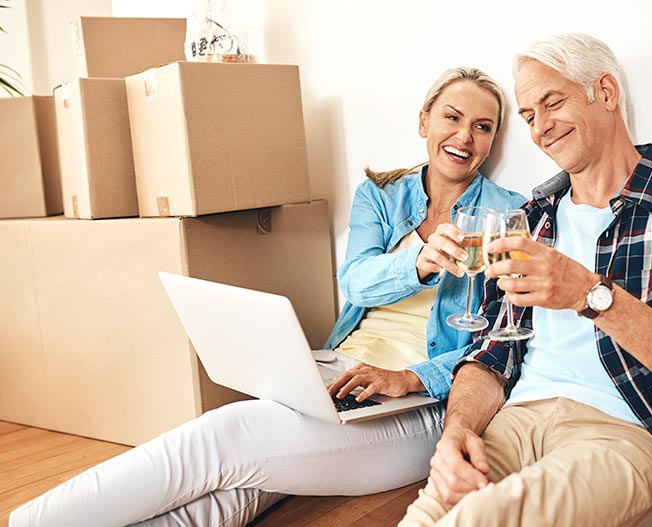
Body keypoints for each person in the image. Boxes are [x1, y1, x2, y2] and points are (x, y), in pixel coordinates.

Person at [9, 67, 524, 527]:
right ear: (423, 122)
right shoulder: (383, 194)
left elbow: (508, 337)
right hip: (338, 375)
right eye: (451, 118)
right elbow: (356, 281)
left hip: (421, 404)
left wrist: (407, 377)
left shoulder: (509, 214)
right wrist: (418, 261)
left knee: (224, 437)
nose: (464, 136)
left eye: (483, 127)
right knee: (242, 487)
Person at [400, 34, 652, 527]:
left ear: (605, 93)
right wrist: (457, 429)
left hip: (631, 430)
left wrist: (590, 295)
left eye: (552, 103)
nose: (541, 128)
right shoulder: (532, 217)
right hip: (516, 421)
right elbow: (491, 351)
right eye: (528, 116)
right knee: (428, 515)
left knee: (484, 518)